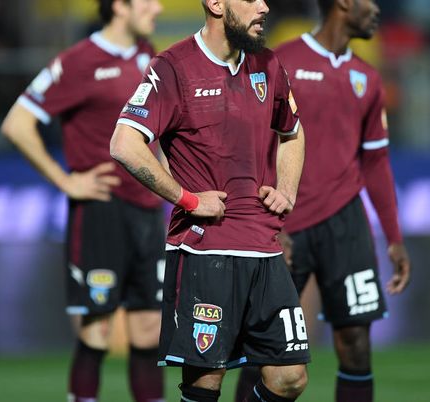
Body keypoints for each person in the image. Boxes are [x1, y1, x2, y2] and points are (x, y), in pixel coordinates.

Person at [109, 1, 310, 401]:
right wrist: (186, 198)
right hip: (204, 251)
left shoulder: (268, 65)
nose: (264, 6)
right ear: (216, 4)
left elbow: (293, 133)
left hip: (264, 248)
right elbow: (124, 143)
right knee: (205, 384)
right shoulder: (173, 67)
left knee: (290, 377)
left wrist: (287, 189)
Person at [234, 0, 412, 401]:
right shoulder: (283, 61)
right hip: (285, 221)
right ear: (344, 4)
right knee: (266, 351)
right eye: (369, 2)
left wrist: (394, 238)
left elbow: (376, 162)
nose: (378, 10)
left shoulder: (367, 76)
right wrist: (267, 225)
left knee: (356, 345)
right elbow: (254, 142)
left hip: (346, 222)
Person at [0, 1, 165, 401]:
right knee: (97, 333)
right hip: (100, 212)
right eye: (146, 0)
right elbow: (16, 124)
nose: (157, 7)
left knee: (149, 334)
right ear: (119, 7)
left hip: (148, 213)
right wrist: (66, 181)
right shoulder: (76, 61)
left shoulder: (152, 57)